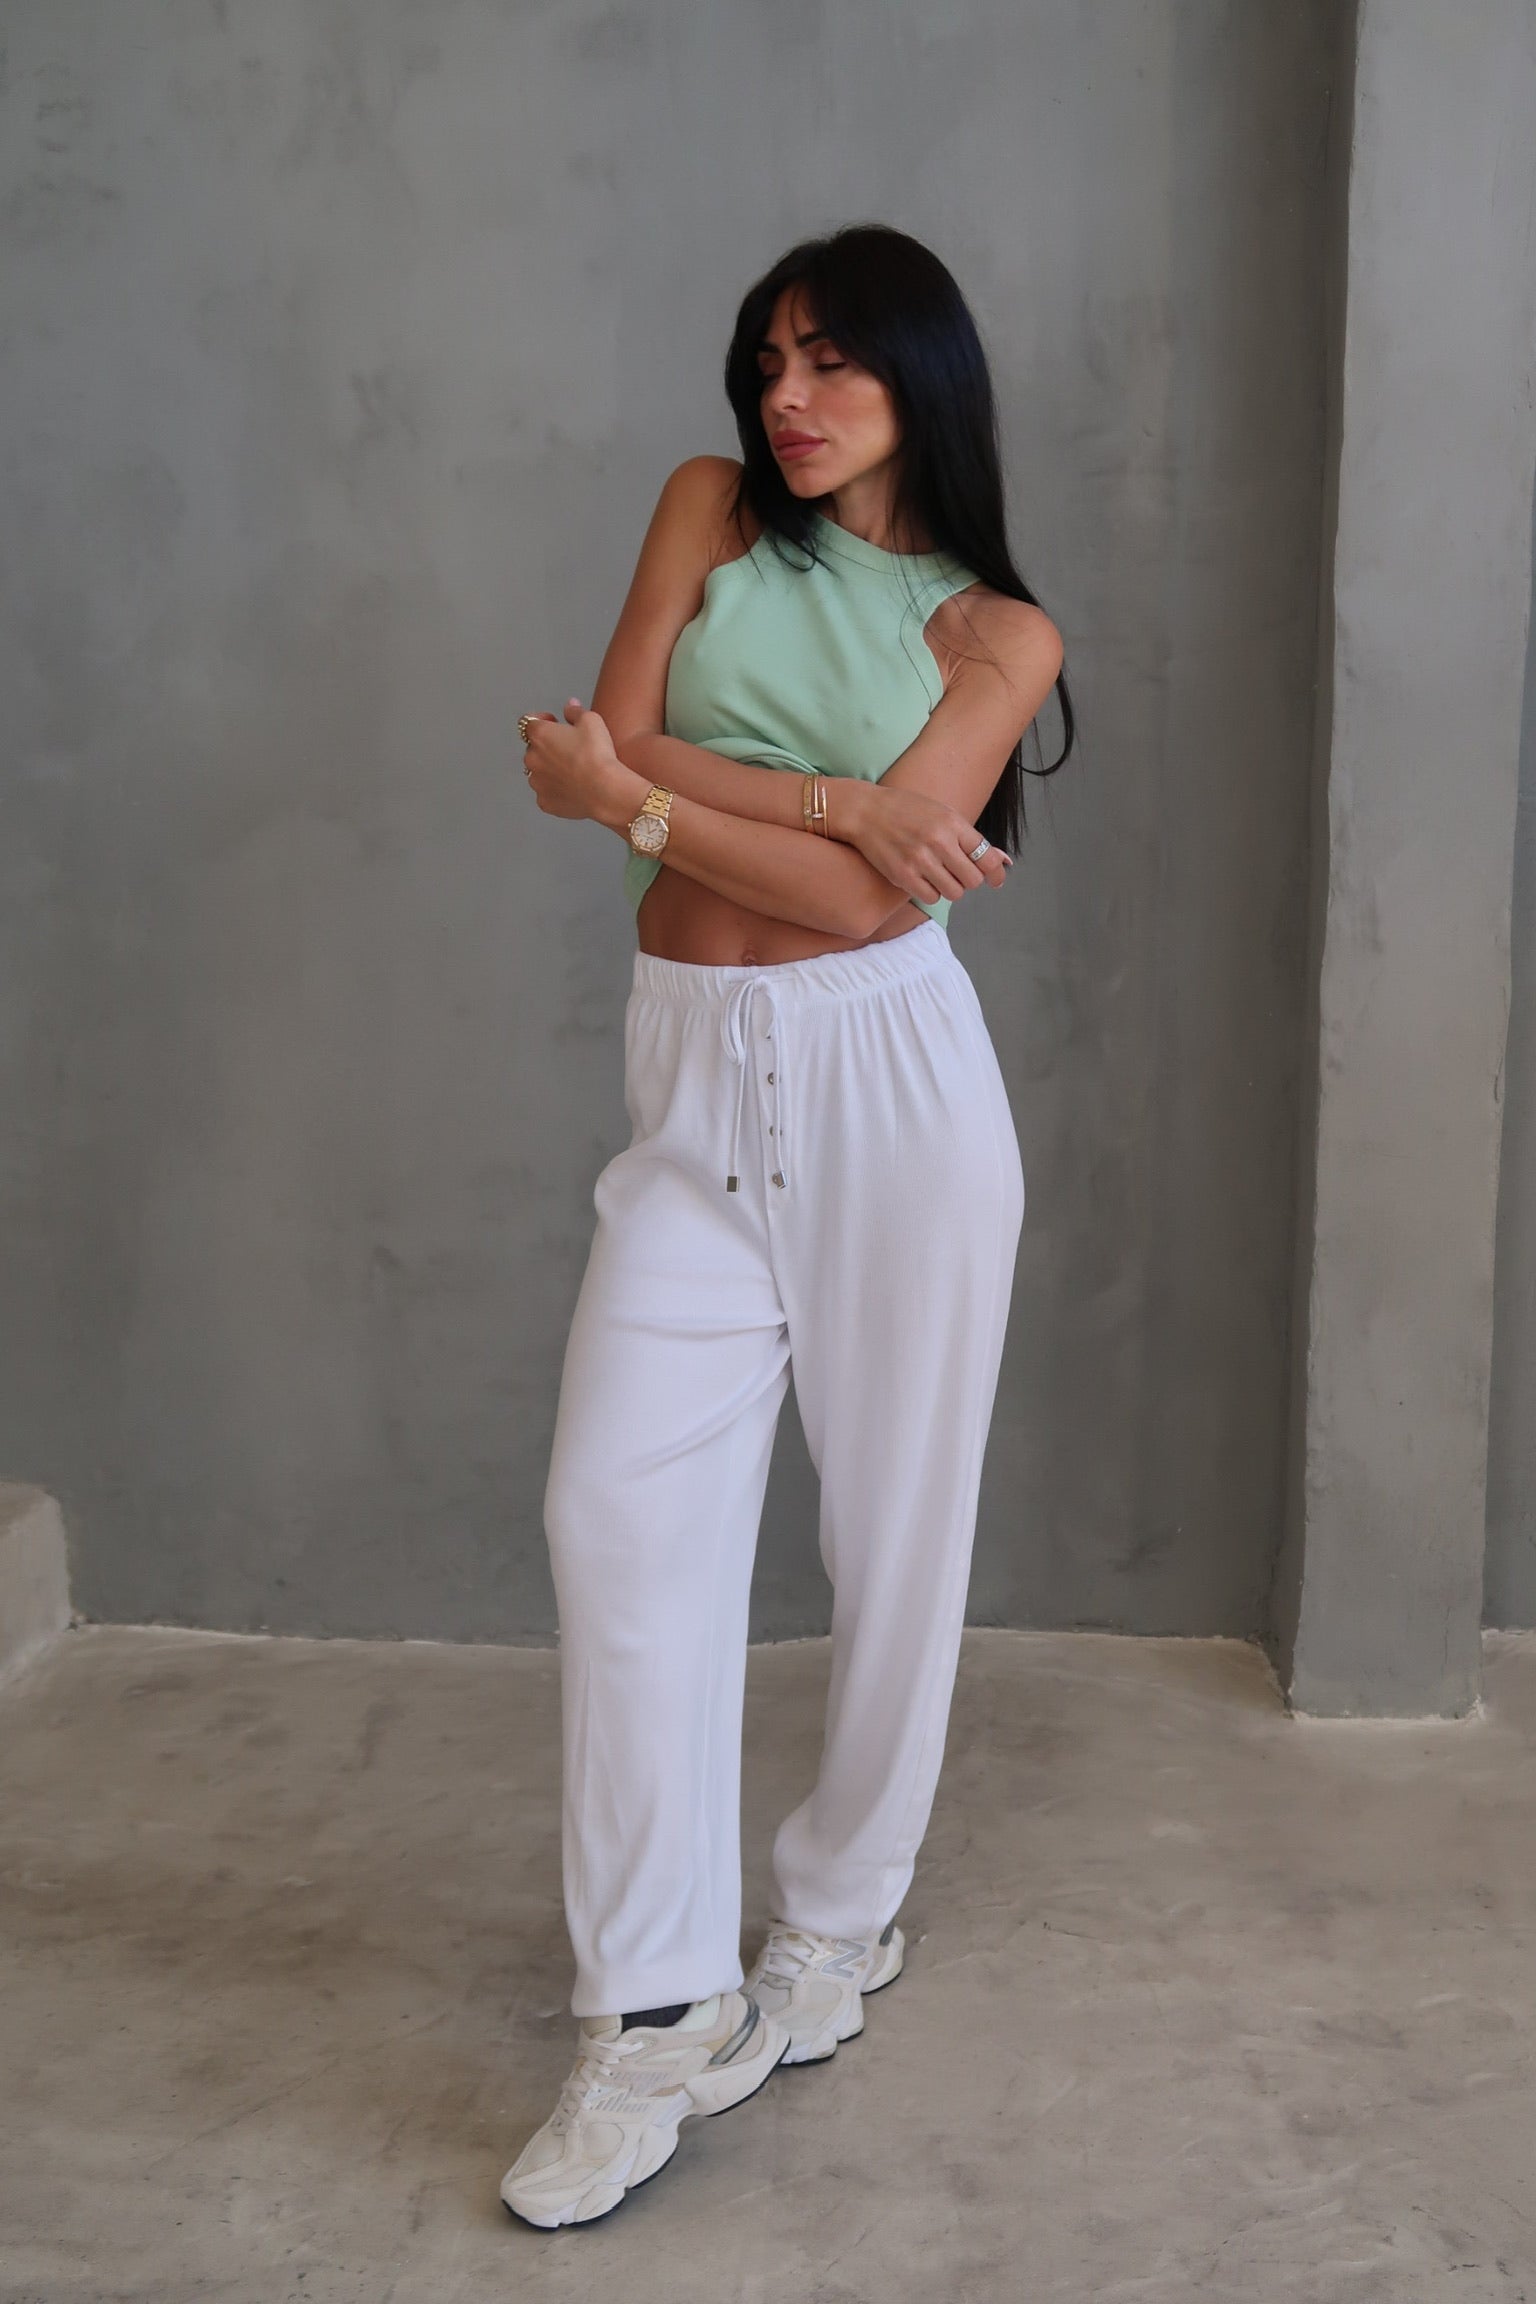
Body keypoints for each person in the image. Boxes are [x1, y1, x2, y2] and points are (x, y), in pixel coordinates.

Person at [501, 222, 1074, 2230]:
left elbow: (833, 896)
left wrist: (648, 806)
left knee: (893, 1530)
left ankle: (840, 1912)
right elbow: (622, 729)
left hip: (885, 1078)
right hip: (690, 1079)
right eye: (769, 361)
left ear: (925, 376)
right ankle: (661, 2006)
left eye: (835, 361)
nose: (791, 399)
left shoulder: (1000, 635)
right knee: (613, 1512)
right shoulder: (709, 509)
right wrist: (845, 797)